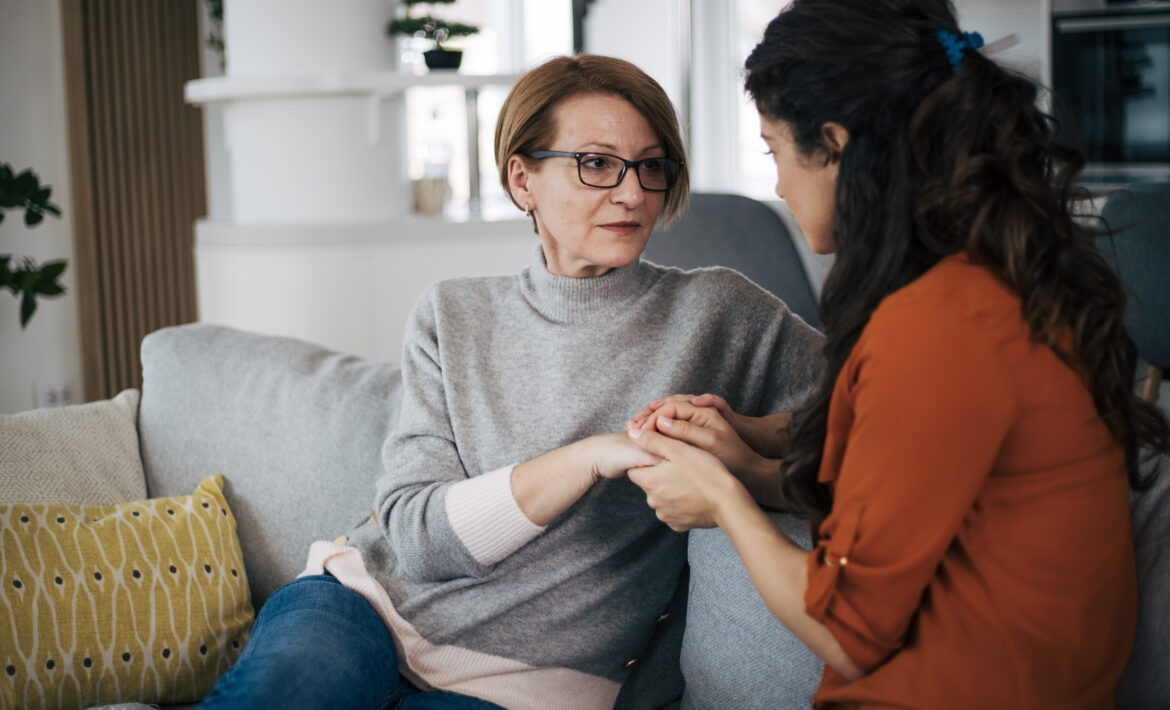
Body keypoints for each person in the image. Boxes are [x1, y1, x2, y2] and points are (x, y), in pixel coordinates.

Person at [200, 54, 823, 710]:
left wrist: (748, 451)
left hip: (530, 688)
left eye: (651, 165)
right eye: (597, 163)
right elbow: (416, 538)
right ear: (522, 179)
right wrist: (590, 457)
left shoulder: (722, 314)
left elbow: (874, 416)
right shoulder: (452, 313)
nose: (634, 193)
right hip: (363, 609)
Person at [624, 1, 1170, 709]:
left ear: (836, 144)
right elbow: (910, 481)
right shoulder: (998, 287)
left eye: (776, 151)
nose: (780, 184)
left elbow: (847, 630)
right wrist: (754, 449)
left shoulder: (936, 328)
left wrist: (723, 499)